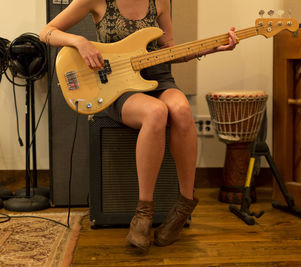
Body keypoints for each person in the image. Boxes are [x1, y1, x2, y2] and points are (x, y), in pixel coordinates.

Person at [40, 0, 238, 251]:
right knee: (155, 112)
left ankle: (185, 204)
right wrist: (80, 42)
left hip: (158, 78)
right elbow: (47, 31)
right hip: (116, 85)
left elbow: (169, 49)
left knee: (181, 110)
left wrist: (211, 48)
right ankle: (143, 213)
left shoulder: (160, 1)